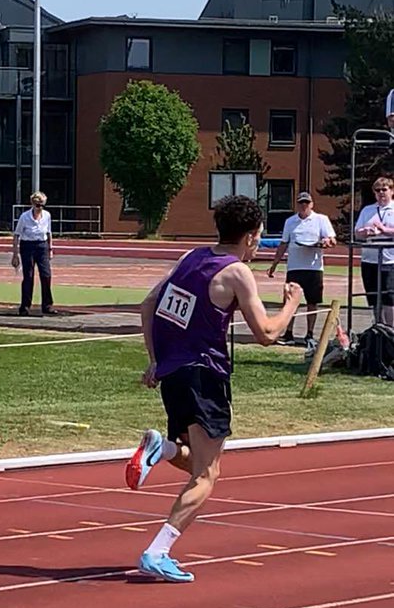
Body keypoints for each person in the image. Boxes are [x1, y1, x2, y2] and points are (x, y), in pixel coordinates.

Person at [124, 195, 302, 583]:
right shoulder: (237, 272)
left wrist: (156, 361)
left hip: (174, 376)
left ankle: (164, 448)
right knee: (207, 476)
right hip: (205, 377)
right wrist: (292, 304)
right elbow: (268, 334)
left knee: (199, 463)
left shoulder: (191, 257)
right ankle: (157, 550)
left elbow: (149, 303)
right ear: (252, 237)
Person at [267, 192, 335, 357]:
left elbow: (332, 240)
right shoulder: (290, 222)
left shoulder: (321, 219)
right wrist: (274, 264)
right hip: (295, 267)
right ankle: (288, 333)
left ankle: (309, 334)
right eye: (301, 203)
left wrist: (326, 242)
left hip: (314, 268)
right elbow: (284, 243)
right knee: (290, 301)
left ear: (311, 204)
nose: (304, 206)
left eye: (306, 203)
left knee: (312, 302)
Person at [354, 175, 394, 328]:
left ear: (391, 191)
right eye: (377, 190)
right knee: (373, 297)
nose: (381, 193)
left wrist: (384, 230)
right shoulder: (367, 210)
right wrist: (365, 231)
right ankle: (379, 328)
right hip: (369, 260)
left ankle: (391, 330)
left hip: (389, 260)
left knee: (389, 298)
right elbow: (357, 233)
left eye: (384, 189)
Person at [11, 191, 57, 316]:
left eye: (42, 205)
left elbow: (48, 233)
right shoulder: (24, 217)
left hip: (41, 246)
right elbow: (16, 235)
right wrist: (15, 255)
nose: (39, 208)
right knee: (29, 276)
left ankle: (47, 305)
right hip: (28, 246)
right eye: (37, 205)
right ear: (32, 204)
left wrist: (50, 249)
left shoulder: (47, 215)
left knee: (46, 275)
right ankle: (25, 306)